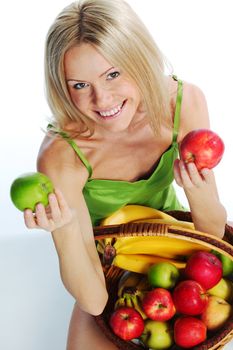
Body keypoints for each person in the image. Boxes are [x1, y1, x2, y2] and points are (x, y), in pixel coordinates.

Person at [24, 0, 227, 349]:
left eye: (113, 74)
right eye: (79, 85)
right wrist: (65, 228)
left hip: (173, 233)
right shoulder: (62, 154)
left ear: (140, 60)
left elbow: (211, 235)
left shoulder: (183, 104)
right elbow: (94, 300)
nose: (102, 100)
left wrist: (200, 192)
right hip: (105, 258)